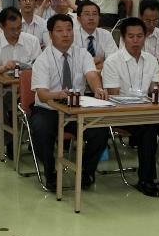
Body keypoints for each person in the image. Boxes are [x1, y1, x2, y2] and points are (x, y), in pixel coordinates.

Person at [29, 13, 110, 190]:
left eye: (69, 30)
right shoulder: (42, 60)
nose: (66, 34)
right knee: (41, 130)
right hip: (48, 109)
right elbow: (42, 95)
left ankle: (85, 171)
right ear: (50, 34)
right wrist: (58, 95)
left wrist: (97, 88)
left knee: (101, 131)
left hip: (77, 109)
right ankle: (50, 173)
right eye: (60, 30)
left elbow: (91, 74)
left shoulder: (82, 54)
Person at [102, 17, 159, 197]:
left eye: (139, 36)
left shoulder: (151, 60)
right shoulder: (112, 62)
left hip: (147, 111)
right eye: (131, 36)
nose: (136, 40)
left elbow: (154, 89)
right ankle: (146, 179)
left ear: (145, 37)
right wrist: (140, 96)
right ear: (123, 38)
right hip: (122, 114)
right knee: (149, 129)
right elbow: (114, 95)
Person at [0, 7, 41, 158]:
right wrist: (3, 67)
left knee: (45, 100)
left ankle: (37, 140)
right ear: (1, 27)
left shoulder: (31, 41)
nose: (16, 32)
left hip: (29, 87)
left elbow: (41, 67)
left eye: (19, 28)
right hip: (4, 87)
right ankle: (9, 141)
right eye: (11, 29)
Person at [73, 1, 116, 66]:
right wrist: (95, 60)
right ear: (79, 19)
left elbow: (114, 60)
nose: (91, 18)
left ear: (99, 18)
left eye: (94, 14)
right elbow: (72, 62)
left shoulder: (106, 34)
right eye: (87, 14)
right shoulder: (71, 35)